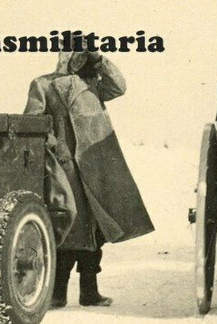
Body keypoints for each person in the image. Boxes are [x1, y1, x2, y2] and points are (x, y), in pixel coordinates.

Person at [24, 50, 154, 308]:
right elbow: (32, 122)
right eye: (73, 52)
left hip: (96, 163)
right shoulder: (43, 84)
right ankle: (58, 293)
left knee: (95, 229)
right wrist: (54, 146)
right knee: (69, 225)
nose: (78, 59)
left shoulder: (91, 84)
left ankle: (89, 292)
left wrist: (100, 59)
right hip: (65, 166)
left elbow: (119, 86)